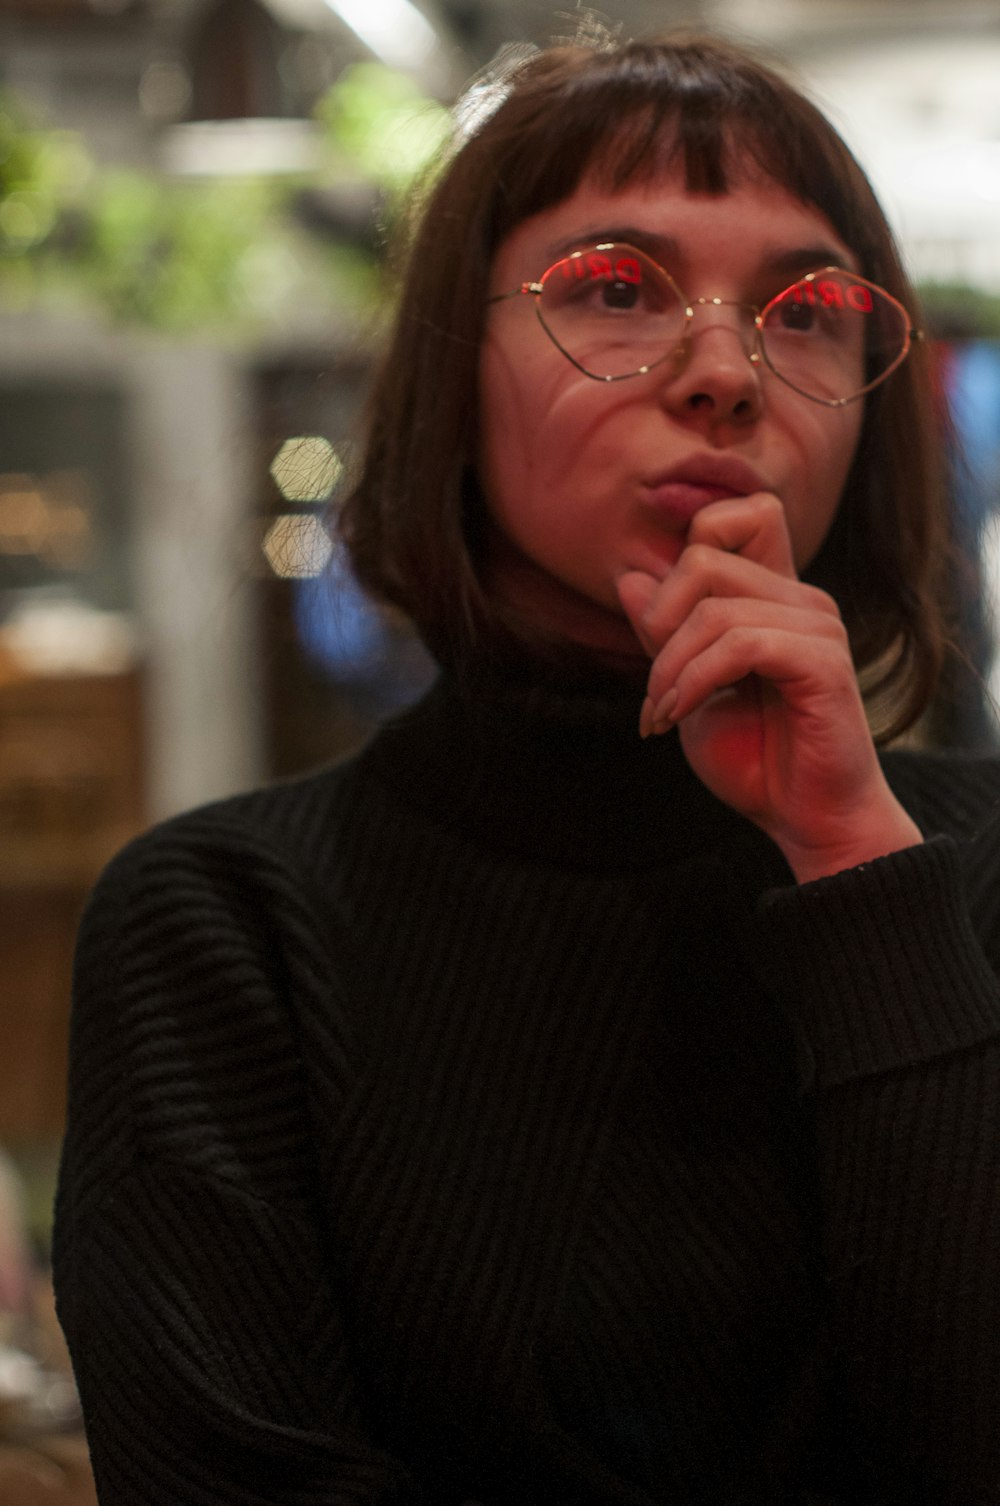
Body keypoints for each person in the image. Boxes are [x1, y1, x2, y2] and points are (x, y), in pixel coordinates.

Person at [53, 29, 1000, 1506]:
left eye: (805, 311)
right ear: (453, 375)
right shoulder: (232, 921)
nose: (722, 375)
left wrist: (855, 866)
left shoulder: (964, 877)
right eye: (617, 290)